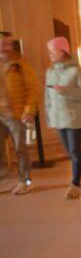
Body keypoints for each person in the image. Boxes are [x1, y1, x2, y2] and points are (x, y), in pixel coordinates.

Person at [45, 36, 81, 199]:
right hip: (58, 119)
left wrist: (66, 91)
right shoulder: (50, 72)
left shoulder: (77, 71)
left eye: (53, 50)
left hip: (74, 119)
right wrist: (49, 117)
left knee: (74, 151)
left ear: (63, 51)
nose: (50, 53)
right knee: (70, 152)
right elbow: (47, 97)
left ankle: (75, 184)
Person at [0, 31, 39, 195]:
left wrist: (29, 110)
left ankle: (27, 181)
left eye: (8, 44)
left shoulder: (20, 64)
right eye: (2, 44)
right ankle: (3, 180)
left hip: (17, 116)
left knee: (21, 149)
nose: (5, 47)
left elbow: (32, 89)